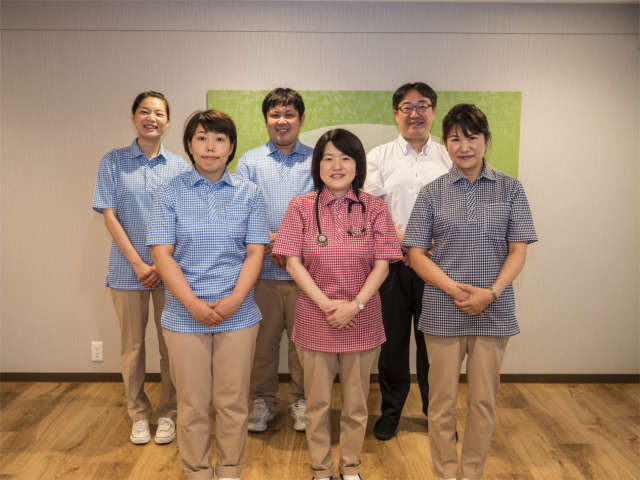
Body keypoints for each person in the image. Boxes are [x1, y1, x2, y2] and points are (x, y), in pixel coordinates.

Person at [403, 104, 538, 480]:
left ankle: (472, 473)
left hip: (493, 310)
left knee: (482, 402)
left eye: (472, 137)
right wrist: (454, 291)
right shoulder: (431, 192)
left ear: (486, 141)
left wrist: (490, 293)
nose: (464, 146)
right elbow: (415, 253)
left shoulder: (511, 189)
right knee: (441, 403)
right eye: (455, 139)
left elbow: (518, 250)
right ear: (445, 143)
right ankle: (446, 474)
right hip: (442, 310)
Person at [272, 129, 402, 480]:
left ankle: (351, 468)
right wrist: (327, 305)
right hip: (316, 319)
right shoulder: (300, 206)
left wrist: (354, 305)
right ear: (318, 165)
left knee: (356, 405)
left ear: (358, 165)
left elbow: (383, 265)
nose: (337, 166)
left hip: (362, 319)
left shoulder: (375, 208)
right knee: (316, 405)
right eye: (328, 158)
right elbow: (292, 262)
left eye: (345, 158)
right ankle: (320, 469)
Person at [147, 110, 269, 480]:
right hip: (184, 315)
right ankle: (196, 471)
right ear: (189, 145)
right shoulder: (169, 192)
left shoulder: (250, 193)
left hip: (238, 313)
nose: (210, 146)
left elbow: (255, 253)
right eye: (201, 138)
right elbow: (162, 255)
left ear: (231, 146)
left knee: (233, 402)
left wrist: (234, 300)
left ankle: (230, 470)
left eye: (219, 139)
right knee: (192, 404)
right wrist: (192, 304)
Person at [92, 91, 188, 445]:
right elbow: (110, 216)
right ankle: (138, 414)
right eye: (145, 111)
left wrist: (161, 265)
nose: (152, 118)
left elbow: (184, 221)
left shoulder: (180, 166)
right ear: (133, 117)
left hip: (170, 272)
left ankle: (169, 414)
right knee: (132, 348)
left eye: (159, 113)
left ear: (167, 121)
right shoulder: (113, 162)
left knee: (171, 346)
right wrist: (138, 263)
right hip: (125, 270)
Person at [364, 82, 452, 440]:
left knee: (435, 344)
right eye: (407, 107)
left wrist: (434, 243)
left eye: (422, 106)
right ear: (396, 113)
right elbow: (371, 208)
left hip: (438, 266)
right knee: (393, 344)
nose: (415, 113)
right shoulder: (379, 156)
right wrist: (408, 241)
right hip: (393, 265)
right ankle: (391, 411)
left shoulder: (449, 156)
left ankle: (437, 414)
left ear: (433, 112)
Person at [236, 88, 313, 432]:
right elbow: (241, 211)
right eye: (275, 114)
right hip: (262, 271)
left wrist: (290, 245)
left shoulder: (316, 160)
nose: (282, 121)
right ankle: (262, 401)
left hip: (306, 274)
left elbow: (322, 213)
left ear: (301, 119)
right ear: (266, 119)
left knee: (303, 345)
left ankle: (301, 400)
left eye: (289, 114)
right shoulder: (250, 162)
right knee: (262, 346)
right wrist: (277, 243)